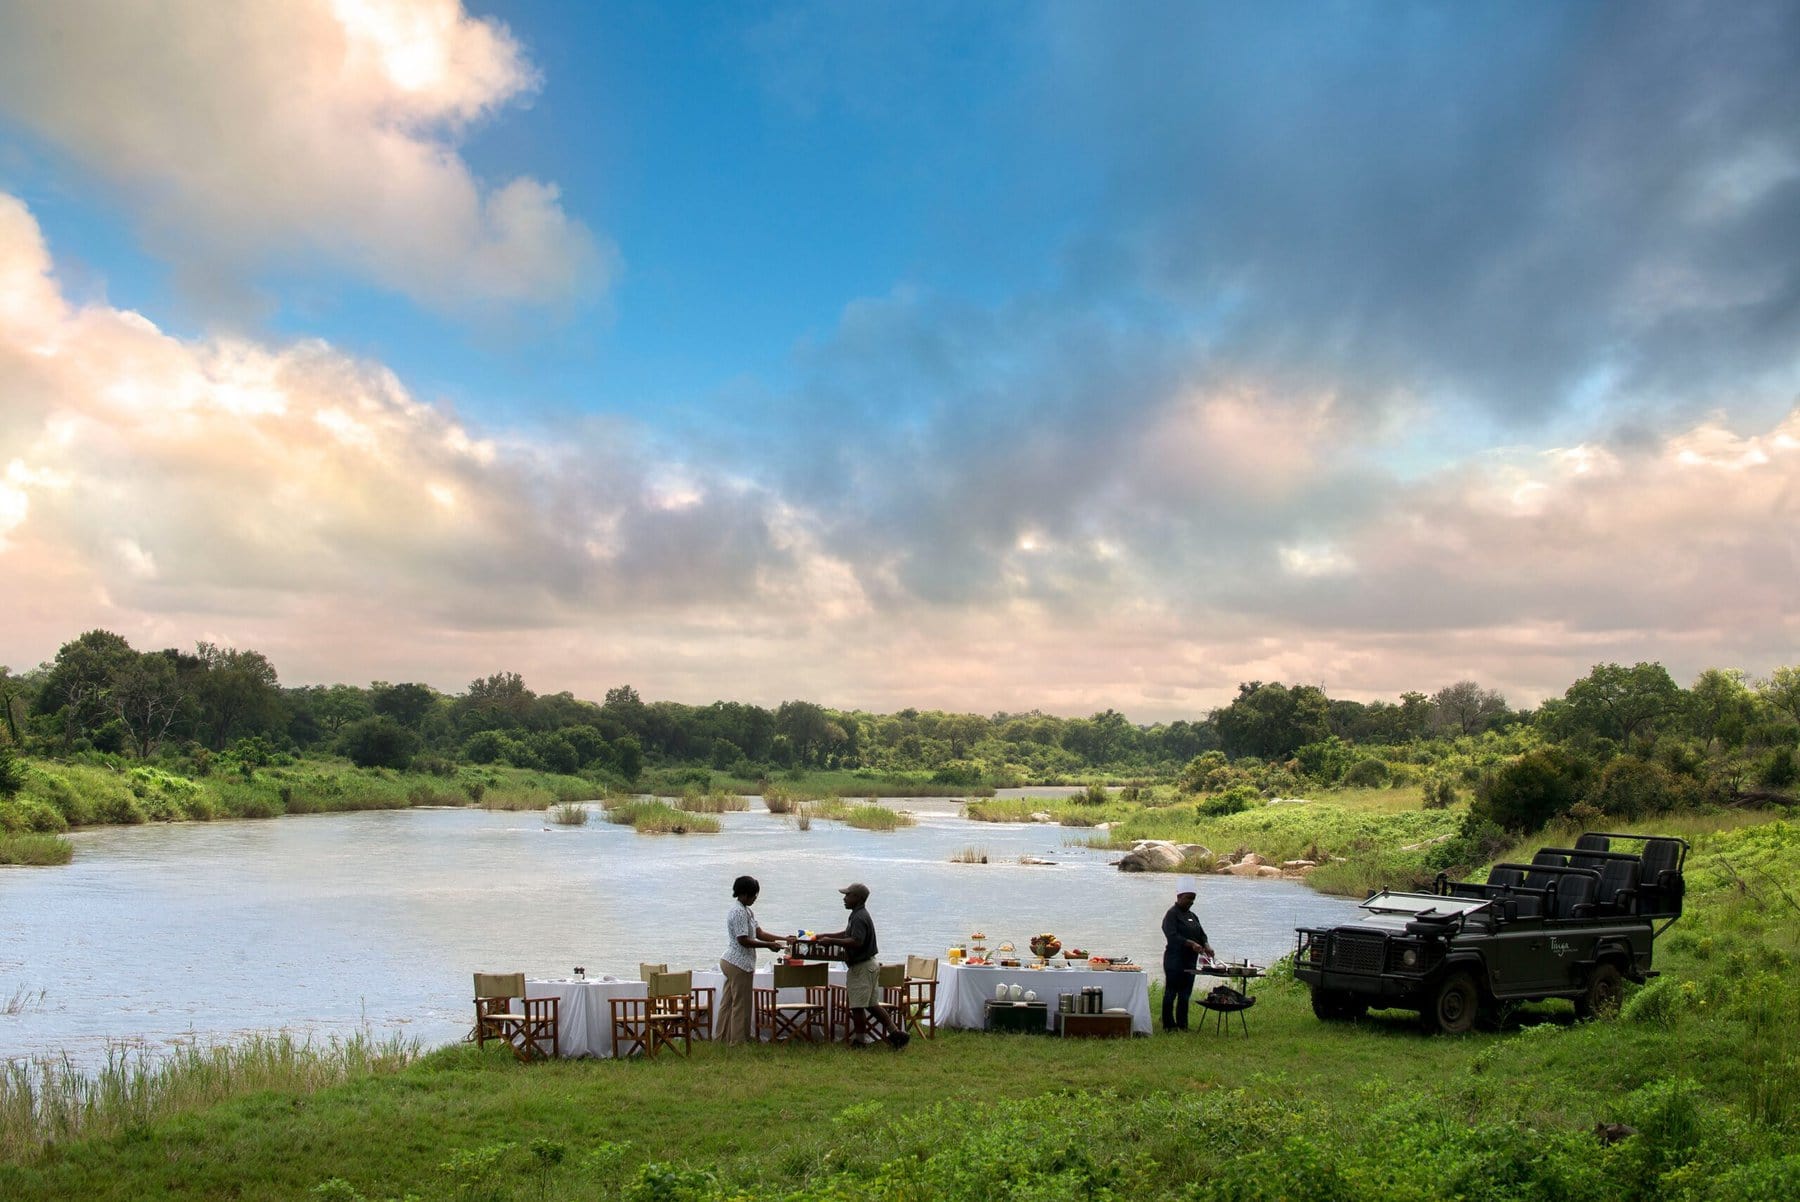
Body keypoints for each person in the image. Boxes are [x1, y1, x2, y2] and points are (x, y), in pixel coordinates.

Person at [813, 882, 910, 1049]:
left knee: (857, 1006)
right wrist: (825, 935)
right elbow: (847, 934)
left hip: (862, 967)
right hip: (869, 965)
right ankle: (896, 1034)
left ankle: (860, 1041)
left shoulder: (859, 917)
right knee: (872, 1005)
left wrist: (832, 941)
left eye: (847, 895)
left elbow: (857, 941)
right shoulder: (857, 915)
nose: (844, 898)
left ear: (857, 898)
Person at [719, 874, 788, 1044]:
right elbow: (743, 940)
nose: (755, 898)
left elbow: (760, 933)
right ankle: (738, 1041)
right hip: (739, 963)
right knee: (741, 1004)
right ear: (744, 894)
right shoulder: (738, 912)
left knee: (728, 1002)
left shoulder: (747, 911)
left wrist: (784, 940)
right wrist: (768, 946)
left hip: (731, 961)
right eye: (753, 895)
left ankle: (721, 1038)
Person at [1161, 876, 1213, 1032]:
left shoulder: (1193, 916)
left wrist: (1206, 945)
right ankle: (1169, 1024)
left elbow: (1202, 934)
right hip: (1175, 959)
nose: (1191, 902)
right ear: (1179, 896)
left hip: (1190, 960)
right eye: (1188, 898)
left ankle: (1182, 1024)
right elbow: (1172, 935)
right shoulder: (1171, 914)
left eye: (1193, 899)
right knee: (1171, 992)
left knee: (1185, 994)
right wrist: (1190, 943)